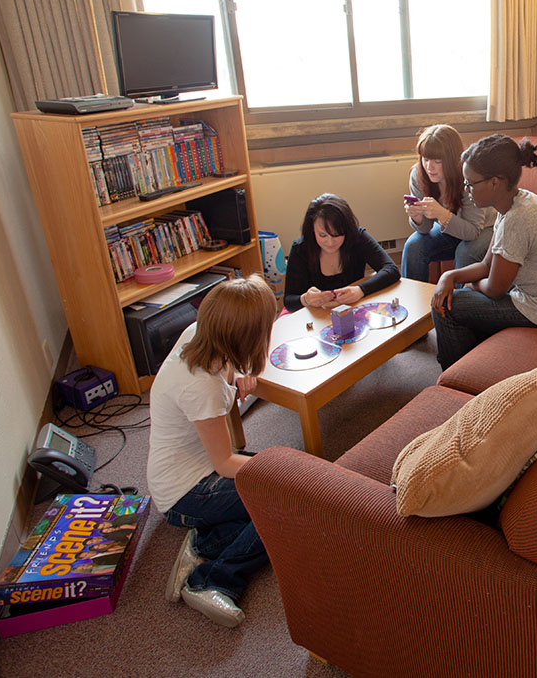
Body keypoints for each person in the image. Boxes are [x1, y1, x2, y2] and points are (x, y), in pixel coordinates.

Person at [146, 275, 276, 628]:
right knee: (278, 501)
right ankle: (213, 579)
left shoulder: (197, 335)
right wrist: (273, 473)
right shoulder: (203, 388)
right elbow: (224, 463)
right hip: (186, 492)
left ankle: (205, 543)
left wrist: (239, 375)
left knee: (272, 483)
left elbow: (229, 370)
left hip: (181, 474)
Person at [431, 134, 537, 370]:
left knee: (448, 307)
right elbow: (485, 265)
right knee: (461, 292)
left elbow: (494, 289)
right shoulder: (516, 203)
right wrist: (449, 276)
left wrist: (471, 285)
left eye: (470, 183)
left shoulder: (517, 219)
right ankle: (476, 360)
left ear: (495, 182)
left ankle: (455, 375)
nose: (466, 189)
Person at [401, 124, 494, 281]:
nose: (429, 167)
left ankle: (458, 303)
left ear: (452, 160)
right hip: (451, 228)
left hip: (486, 228)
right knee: (413, 246)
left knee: (465, 252)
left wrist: (442, 214)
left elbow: (472, 232)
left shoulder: (470, 177)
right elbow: (425, 229)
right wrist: (417, 218)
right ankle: (412, 301)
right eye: (426, 159)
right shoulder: (418, 175)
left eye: (437, 161)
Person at [283, 193, 400, 313]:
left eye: (337, 235)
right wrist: (306, 299)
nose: (330, 242)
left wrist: (360, 290)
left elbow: (391, 269)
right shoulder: (301, 248)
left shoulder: (357, 237)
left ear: (346, 229)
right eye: (322, 235)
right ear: (312, 229)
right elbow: (289, 301)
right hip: (316, 317)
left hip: (352, 309)